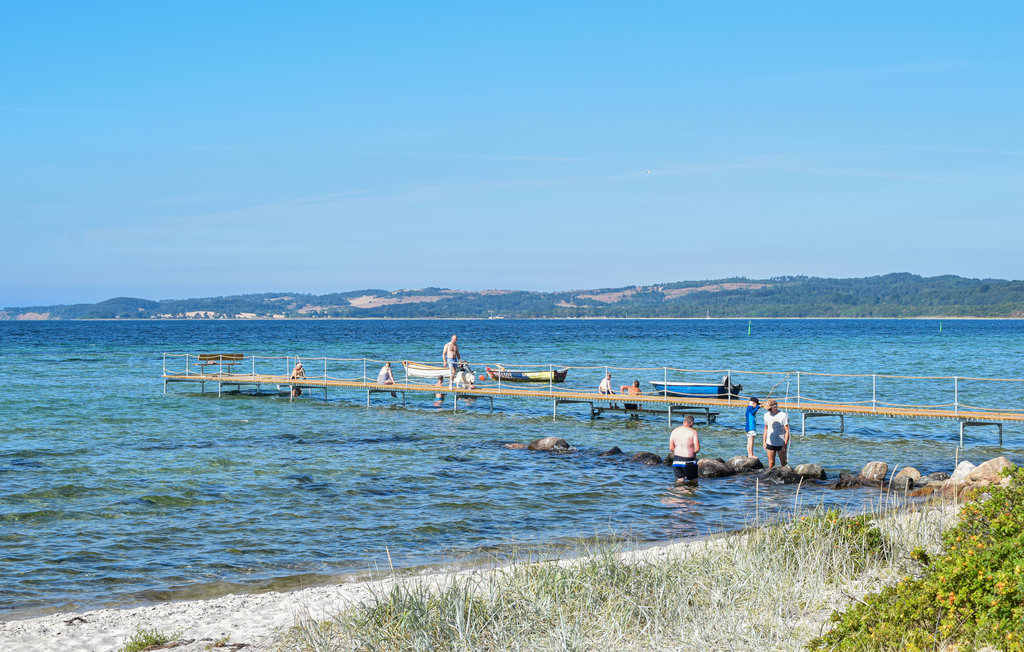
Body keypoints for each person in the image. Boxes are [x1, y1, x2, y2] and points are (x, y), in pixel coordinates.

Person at [669, 415, 700, 485]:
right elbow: (697, 449)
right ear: (691, 423)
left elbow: (671, 448)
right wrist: (693, 453)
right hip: (688, 460)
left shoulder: (674, 431)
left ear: (683, 422)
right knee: (693, 481)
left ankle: (679, 495)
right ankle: (689, 494)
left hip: (676, 460)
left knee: (680, 480)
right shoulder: (693, 432)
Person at [762, 399, 790, 468]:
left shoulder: (783, 415)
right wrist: (764, 441)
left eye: (770, 409)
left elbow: (787, 431)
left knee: (783, 463)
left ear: (775, 407)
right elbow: (765, 429)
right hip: (770, 442)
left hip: (781, 443)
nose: (768, 411)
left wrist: (785, 445)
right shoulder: (766, 415)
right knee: (771, 463)